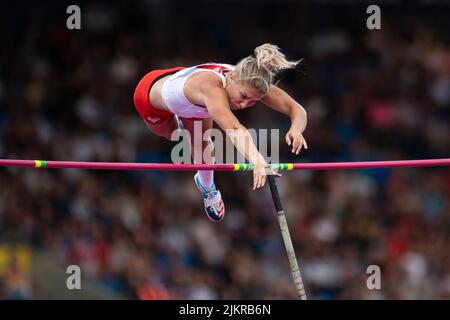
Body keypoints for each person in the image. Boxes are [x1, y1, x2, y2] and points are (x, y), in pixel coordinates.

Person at [133, 43, 308, 222]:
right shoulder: (212, 88)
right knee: (174, 135)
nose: (243, 104)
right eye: (244, 96)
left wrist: (296, 129)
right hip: (150, 95)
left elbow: (297, 109)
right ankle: (181, 121)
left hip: (193, 101)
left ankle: (207, 187)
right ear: (231, 78)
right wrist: (256, 159)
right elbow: (234, 129)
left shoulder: (254, 82)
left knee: (201, 143)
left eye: (253, 101)